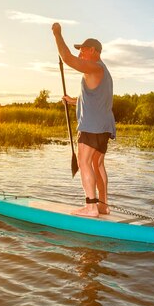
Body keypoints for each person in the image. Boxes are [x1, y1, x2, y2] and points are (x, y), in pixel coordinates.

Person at [52, 22, 116, 218]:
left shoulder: (95, 67)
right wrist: (74, 101)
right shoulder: (102, 72)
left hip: (92, 126)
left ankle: (90, 207)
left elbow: (68, 58)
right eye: (79, 51)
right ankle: (103, 205)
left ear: (93, 50)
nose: (80, 55)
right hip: (104, 126)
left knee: (84, 162)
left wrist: (57, 34)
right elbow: (96, 97)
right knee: (97, 164)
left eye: (82, 51)